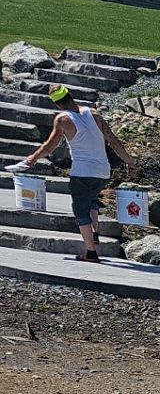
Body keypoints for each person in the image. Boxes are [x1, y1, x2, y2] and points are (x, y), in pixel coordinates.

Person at [10, 84, 130, 263]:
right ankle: (94, 233)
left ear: (58, 104)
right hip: (103, 172)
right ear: (71, 96)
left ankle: (90, 253)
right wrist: (130, 161)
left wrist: (31, 159)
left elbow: (50, 146)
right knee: (91, 200)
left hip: (82, 172)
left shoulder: (63, 119)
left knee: (80, 210)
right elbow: (112, 139)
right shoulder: (95, 114)